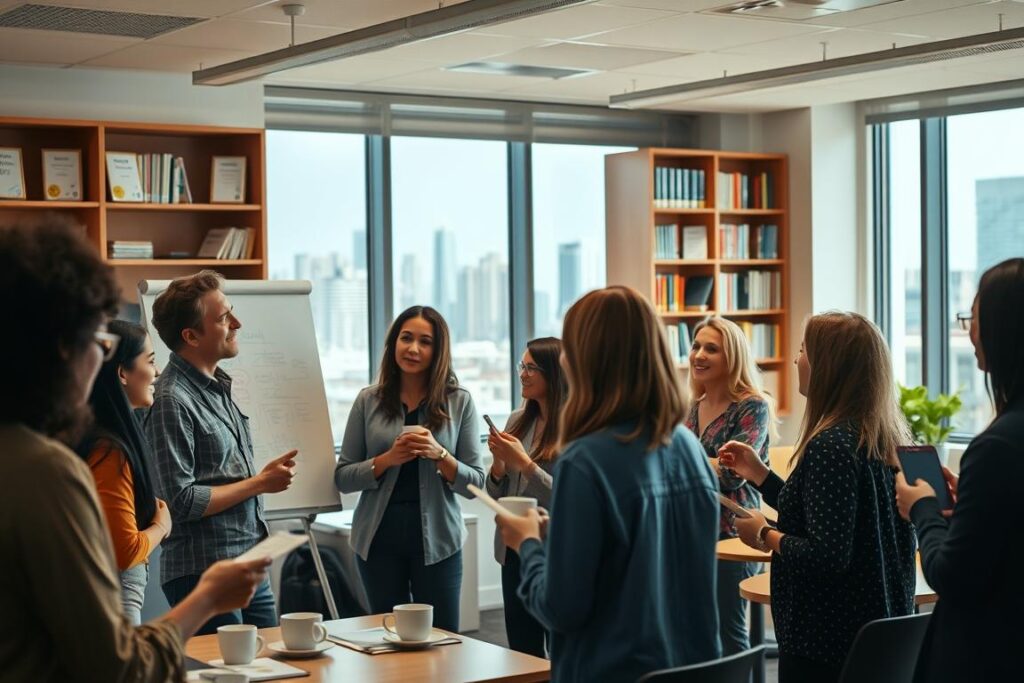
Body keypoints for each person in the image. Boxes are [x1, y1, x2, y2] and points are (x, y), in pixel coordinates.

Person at [0, 223, 271, 682]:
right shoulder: (45, 472)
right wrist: (206, 597)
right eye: (101, 346)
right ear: (65, 350)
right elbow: (117, 665)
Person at [496, 286, 721, 683]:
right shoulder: (689, 447)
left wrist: (527, 544)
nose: (563, 359)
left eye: (571, 347)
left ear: (589, 359)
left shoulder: (586, 460)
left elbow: (561, 608)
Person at [720, 311, 916, 683]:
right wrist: (759, 475)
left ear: (829, 366)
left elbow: (827, 557)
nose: (796, 360)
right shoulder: (882, 438)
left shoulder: (830, 446)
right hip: (875, 633)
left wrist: (765, 536)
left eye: (802, 350)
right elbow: (825, 513)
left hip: (825, 642)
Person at [146, 270, 298, 634]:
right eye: (223, 317)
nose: (237, 323)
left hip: (248, 563)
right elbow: (180, 500)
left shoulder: (218, 387)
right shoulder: (171, 400)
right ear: (191, 336)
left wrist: (258, 481)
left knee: (269, 670)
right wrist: (259, 483)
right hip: (203, 573)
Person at [895, 258, 1024, 683]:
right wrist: (969, 503)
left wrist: (924, 509)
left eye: (975, 315)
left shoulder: (996, 447)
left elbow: (952, 575)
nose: (969, 330)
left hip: (986, 655)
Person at [335, 306, 485, 632]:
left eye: (425, 341)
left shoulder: (460, 401)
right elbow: (343, 478)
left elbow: (476, 483)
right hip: (377, 539)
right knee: (387, 636)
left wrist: (440, 454)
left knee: (443, 638)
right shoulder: (368, 400)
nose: (413, 349)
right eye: (406, 338)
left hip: (439, 540)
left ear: (438, 350)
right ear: (393, 343)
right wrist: (387, 459)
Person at [684, 316, 776, 655]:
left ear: (732, 357)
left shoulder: (752, 405)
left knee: (729, 630)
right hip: (692, 529)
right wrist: (704, 464)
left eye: (711, 349)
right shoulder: (691, 407)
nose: (699, 355)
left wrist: (688, 464)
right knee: (695, 628)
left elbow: (731, 473)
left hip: (734, 533)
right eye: (696, 346)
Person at [75, 319, 170, 625]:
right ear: (122, 373)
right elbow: (125, 551)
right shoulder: (109, 449)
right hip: (117, 596)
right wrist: (161, 527)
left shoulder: (102, 436)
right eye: (151, 361)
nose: (157, 373)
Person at [486, 337, 565, 657]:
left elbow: (568, 496)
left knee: (560, 647)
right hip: (513, 548)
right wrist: (499, 466)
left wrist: (525, 464)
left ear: (555, 374)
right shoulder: (517, 420)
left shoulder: (576, 427)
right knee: (521, 649)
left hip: (555, 548)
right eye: (522, 366)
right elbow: (497, 492)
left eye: (531, 367)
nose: (523, 373)